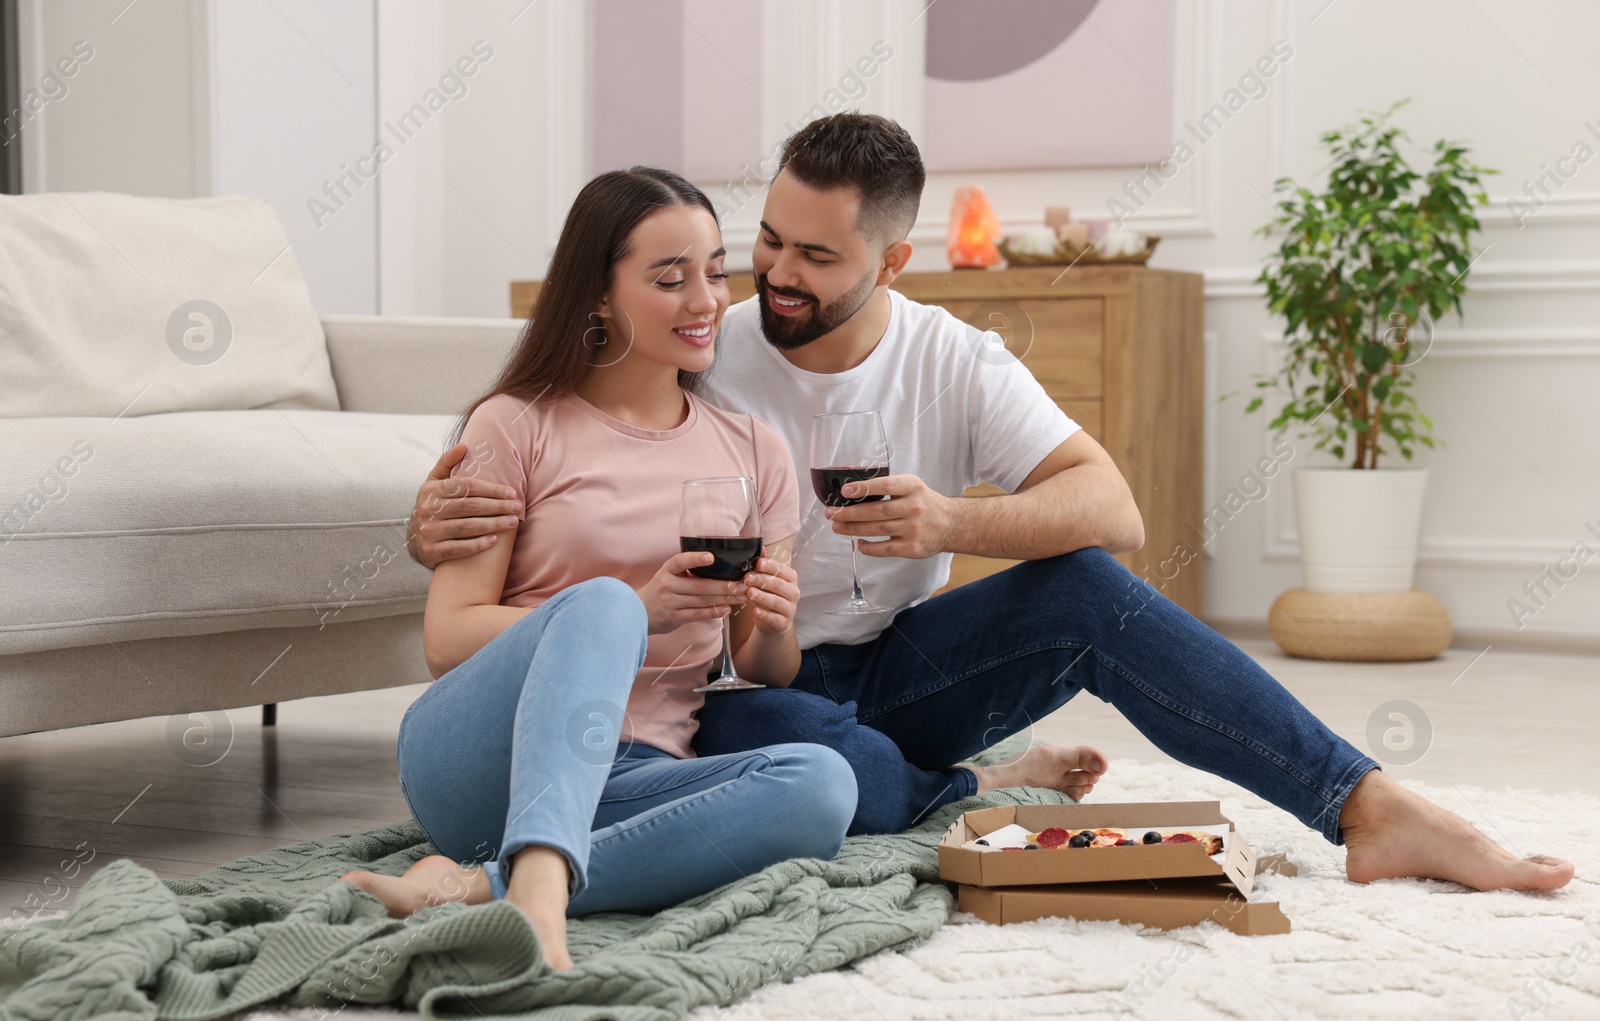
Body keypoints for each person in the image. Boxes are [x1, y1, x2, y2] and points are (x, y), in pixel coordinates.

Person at [406, 114, 1573, 895]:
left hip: (899, 663)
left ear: (895, 259)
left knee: (1091, 591)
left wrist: (953, 523)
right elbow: (574, 431)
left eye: (813, 255)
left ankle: (1362, 801)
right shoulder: (705, 338)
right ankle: (972, 786)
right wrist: (445, 522)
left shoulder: (949, 358)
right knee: (824, 761)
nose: (769, 277)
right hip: (739, 697)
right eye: (764, 240)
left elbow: (1110, 505)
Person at [343, 166, 861, 970]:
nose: (706, 301)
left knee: (825, 785)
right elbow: (446, 639)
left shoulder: (755, 451)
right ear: (597, 294)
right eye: (669, 279)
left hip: (632, 773)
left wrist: (772, 615)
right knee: (606, 607)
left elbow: (768, 667)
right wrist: (633, 611)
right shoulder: (514, 426)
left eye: (716, 272)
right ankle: (541, 898)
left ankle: (484, 886)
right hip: (481, 759)